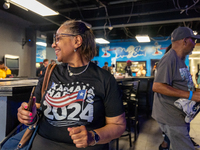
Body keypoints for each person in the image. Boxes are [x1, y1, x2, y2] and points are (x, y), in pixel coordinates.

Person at [17, 20, 126, 150]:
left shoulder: (105, 79)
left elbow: (118, 125)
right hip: (43, 144)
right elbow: (37, 113)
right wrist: (28, 116)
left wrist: (93, 137)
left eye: (58, 39)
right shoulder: (50, 72)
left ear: (77, 41)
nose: (53, 44)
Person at [152, 26, 200, 150]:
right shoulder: (169, 59)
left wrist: (195, 92)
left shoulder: (180, 60)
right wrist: (190, 95)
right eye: (192, 40)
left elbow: (181, 84)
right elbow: (157, 86)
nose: (195, 44)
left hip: (180, 116)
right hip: (171, 117)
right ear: (184, 41)